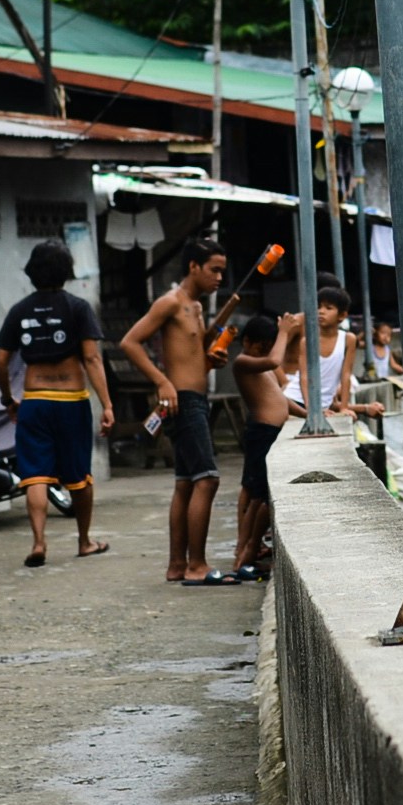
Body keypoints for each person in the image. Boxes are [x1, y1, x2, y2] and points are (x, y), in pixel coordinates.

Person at [0, 239, 113, 568]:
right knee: (78, 475)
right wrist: (107, 405)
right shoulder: (78, 307)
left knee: (36, 475)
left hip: (34, 400)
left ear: (32, 271)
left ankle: (39, 542)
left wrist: (8, 399)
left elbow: (0, 363)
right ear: (66, 271)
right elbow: (91, 358)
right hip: (71, 401)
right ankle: (84, 541)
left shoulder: (20, 310)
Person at [120, 238, 231, 586]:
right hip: (181, 400)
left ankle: (177, 565)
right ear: (193, 267)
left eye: (222, 272)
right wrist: (161, 382)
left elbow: (190, 356)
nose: (218, 278)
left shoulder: (196, 308)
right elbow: (130, 342)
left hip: (193, 398)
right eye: (214, 270)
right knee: (207, 479)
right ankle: (196, 566)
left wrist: (210, 361)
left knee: (186, 483)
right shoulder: (170, 302)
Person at [228, 311, 297, 580]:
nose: (265, 351)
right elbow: (275, 359)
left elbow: (281, 399)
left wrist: (312, 413)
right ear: (248, 342)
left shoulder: (262, 364)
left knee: (261, 498)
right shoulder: (244, 362)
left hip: (271, 432)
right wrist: (283, 332)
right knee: (260, 498)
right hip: (261, 433)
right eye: (262, 346)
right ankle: (244, 554)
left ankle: (247, 551)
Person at [280, 284, 360, 418]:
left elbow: (346, 375)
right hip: (295, 401)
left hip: (323, 405)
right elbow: (304, 377)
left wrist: (344, 407)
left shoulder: (348, 339)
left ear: (342, 315)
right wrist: (311, 409)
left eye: (328, 308)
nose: (321, 311)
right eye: (318, 307)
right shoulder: (308, 341)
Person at [365, 317, 402, 382]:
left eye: (389, 335)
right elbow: (357, 342)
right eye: (383, 333)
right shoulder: (370, 347)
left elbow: (393, 365)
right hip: (373, 380)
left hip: (384, 380)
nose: (386, 337)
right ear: (375, 333)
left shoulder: (387, 350)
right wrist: (368, 332)